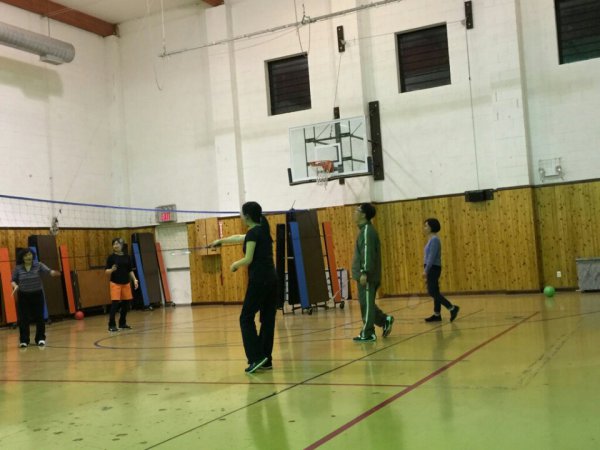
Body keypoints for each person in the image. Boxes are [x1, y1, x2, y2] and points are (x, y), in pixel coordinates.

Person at [210, 201, 277, 373]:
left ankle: (256, 357)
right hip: (272, 280)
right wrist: (221, 241)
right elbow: (241, 237)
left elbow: (248, 259)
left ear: (246, 215)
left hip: (259, 281)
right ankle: (266, 359)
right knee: (267, 320)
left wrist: (234, 265)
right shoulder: (262, 231)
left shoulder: (254, 233)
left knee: (245, 318)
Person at [351, 203, 394, 342]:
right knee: (366, 304)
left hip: (367, 276)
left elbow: (367, 253)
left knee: (367, 305)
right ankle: (385, 320)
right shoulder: (364, 230)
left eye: (357, 210)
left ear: (363, 214)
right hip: (364, 275)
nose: (354, 212)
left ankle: (368, 333)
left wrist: (364, 272)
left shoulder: (367, 231)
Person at [11, 248, 61, 347]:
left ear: (33, 256)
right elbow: (13, 280)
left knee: (39, 317)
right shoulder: (18, 268)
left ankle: (40, 338)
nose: (28, 257)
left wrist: (53, 273)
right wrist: (15, 286)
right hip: (23, 295)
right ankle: (24, 340)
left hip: (37, 294)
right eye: (26, 255)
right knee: (23, 318)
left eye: (30, 255)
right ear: (22, 258)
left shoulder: (39, 265)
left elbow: (48, 271)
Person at [423, 218, 459, 322]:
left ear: (431, 227)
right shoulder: (431, 239)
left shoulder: (434, 240)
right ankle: (437, 314)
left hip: (433, 268)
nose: (424, 228)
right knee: (435, 291)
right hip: (432, 267)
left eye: (426, 226)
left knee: (432, 292)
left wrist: (426, 270)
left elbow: (431, 257)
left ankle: (452, 308)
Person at [105, 238, 139, 332]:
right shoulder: (111, 257)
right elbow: (106, 271)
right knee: (115, 304)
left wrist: (135, 280)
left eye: (117, 244)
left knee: (126, 305)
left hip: (126, 283)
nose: (115, 245)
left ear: (122, 245)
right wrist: (111, 270)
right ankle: (111, 325)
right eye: (114, 244)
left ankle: (122, 323)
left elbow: (130, 270)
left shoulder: (127, 257)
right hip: (115, 283)